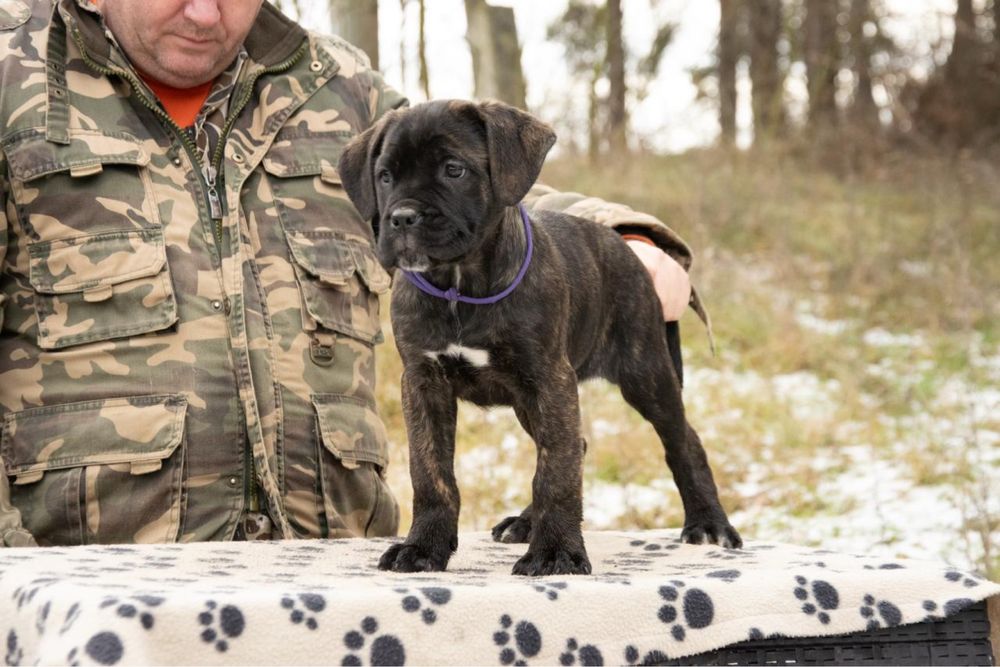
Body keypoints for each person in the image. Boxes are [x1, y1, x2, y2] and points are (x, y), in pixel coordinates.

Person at [0, 0, 705, 548]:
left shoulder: (333, 86)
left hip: (338, 577)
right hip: (92, 585)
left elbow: (477, 182)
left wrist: (627, 234)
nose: (206, 14)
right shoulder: (13, 75)